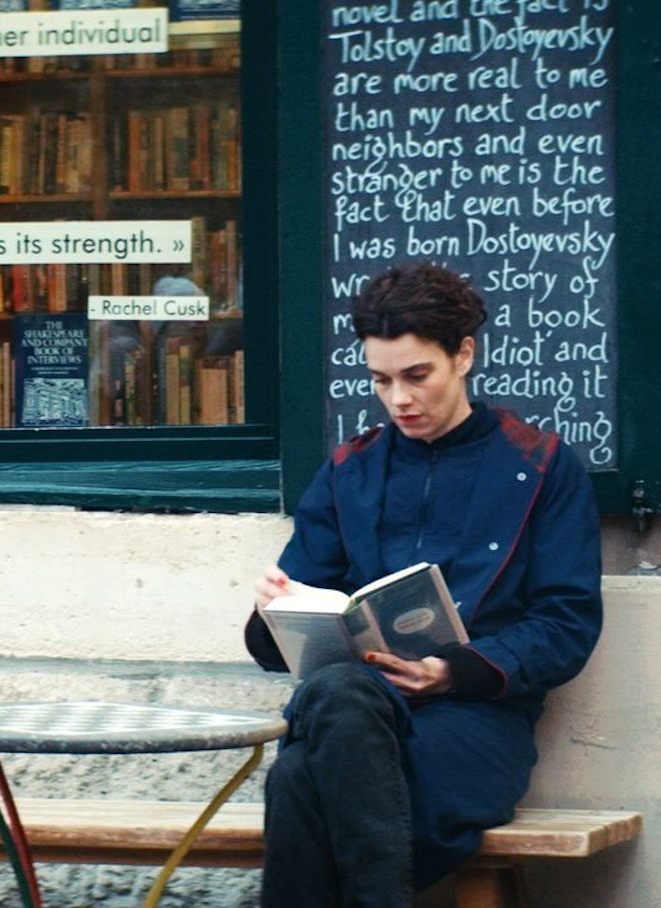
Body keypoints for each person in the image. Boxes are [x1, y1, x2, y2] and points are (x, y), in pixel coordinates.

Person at [244, 262, 603, 906]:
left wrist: (451, 671)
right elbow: (296, 616)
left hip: (473, 723)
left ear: (463, 354)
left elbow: (566, 623)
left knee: (299, 774)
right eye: (380, 380)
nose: (399, 400)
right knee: (340, 699)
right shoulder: (350, 469)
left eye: (417, 376)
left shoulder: (540, 465)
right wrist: (274, 608)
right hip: (355, 710)